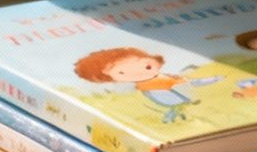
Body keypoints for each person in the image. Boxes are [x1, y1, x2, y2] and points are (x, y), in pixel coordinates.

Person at [73, 47, 221, 124]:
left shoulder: (165, 77)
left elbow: (186, 82)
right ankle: (179, 110)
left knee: (185, 90)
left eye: (147, 67)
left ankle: (187, 103)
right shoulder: (138, 88)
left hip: (173, 89)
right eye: (122, 73)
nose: (140, 74)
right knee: (175, 102)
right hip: (162, 96)